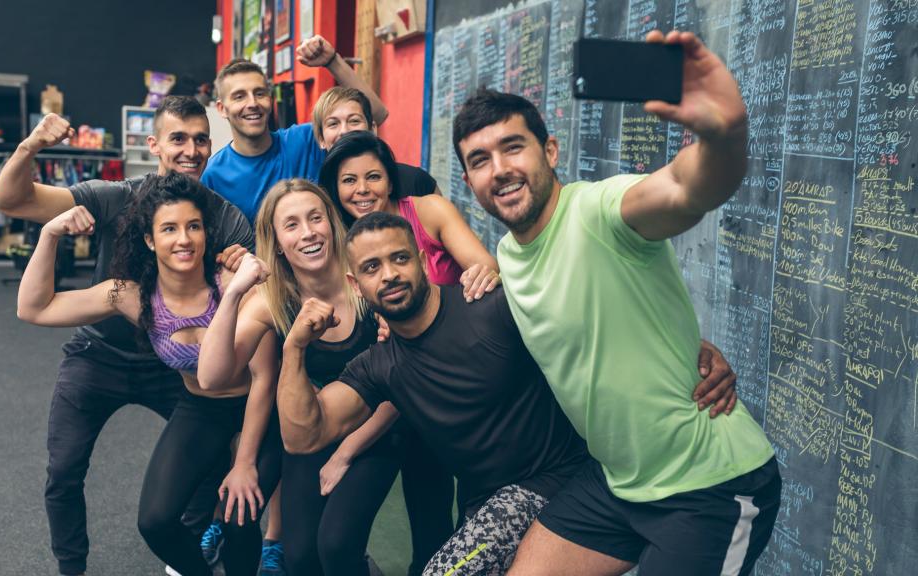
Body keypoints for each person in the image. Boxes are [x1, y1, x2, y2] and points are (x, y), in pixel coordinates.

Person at [452, 31, 779, 575]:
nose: (500, 169)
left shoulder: (600, 210)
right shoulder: (507, 257)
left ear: (549, 151)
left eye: (514, 146)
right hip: (616, 483)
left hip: (708, 485)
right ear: (469, 181)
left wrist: (725, 135)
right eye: (480, 159)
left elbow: (684, 189)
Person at [275, 211, 741, 575]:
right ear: (357, 284)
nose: (390, 275)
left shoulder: (492, 306)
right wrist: (295, 347)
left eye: (399, 258)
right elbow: (305, 436)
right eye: (372, 268)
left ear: (420, 258)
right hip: (485, 501)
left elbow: (597, 322)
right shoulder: (380, 364)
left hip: (559, 479)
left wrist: (691, 350)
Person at [0, 96, 254, 576]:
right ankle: (71, 568)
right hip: (101, 352)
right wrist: (32, 146)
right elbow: (10, 200)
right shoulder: (116, 198)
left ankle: (188, 555)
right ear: (153, 144)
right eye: (178, 138)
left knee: (209, 458)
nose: (190, 150)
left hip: (174, 361)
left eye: (200, 139)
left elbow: (265, 295)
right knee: (64, 470)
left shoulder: (226, 219)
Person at [196, 179, 407, 575]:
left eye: (316, 218)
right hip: (311, 435)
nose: (308, 232)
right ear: (276, 241)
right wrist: (235, 290)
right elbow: (211, 376)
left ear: (332, 223)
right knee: (300, 557)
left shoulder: (366, 278)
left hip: (377, 430)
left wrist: (346, 453)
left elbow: (404, 381)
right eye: (291, 225)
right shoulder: (272, 300)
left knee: (338, 546)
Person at [202, 36, 388, 224]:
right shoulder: (213, 175)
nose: (252, 103)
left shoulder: (305, 140)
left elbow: (377, 115)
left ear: (270, 98)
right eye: (239, 97)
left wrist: (333, 62)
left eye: (260, 93)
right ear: (221, 108)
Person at [319, 130, 500, 301]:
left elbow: (487, 268)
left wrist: (480, 276)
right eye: (349, 180)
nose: (362, 189)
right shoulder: (338, 239)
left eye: (373, 177)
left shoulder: (431, 211)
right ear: (337, 189)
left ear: (390, 183)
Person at [311, 85, 441, 197]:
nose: (344, 131)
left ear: (372, 129)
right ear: (321, 139)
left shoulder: (414, 181)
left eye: (354, 121)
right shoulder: (321, 200)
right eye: (333, 124)